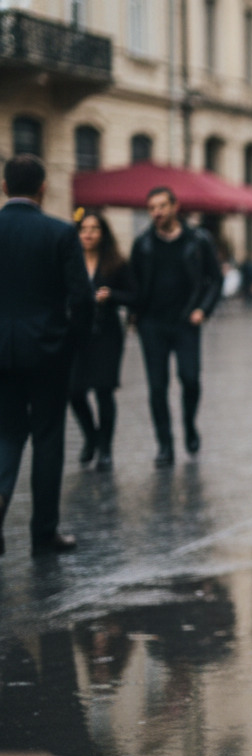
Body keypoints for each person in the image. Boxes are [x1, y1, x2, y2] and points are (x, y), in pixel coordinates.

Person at [0, 154, 92, 555]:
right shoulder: (59, 232)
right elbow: (83, 299)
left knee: (6, 433)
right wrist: (72, 342)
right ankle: (44, 531)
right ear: (42, 188)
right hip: (48, 351)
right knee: (48, 437)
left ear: (4, 187)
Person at [129, 186, 221, 467]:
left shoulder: (198, 239)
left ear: (175, 206)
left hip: (185, 322)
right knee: (157, 388)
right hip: (152, 324)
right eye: (152, 208)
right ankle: (165, 444)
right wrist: (134, 315)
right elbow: (134, 283)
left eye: (161, 206)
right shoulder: (142, 244)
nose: (157, 213)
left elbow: (215, 280)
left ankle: (190, 425)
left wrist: (202, 310)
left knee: (190, 379)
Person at [70, 210, 137, 472]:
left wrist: (112, 295)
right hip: (76, 334)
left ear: (103, 233)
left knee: (104, 391)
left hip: (107, 335)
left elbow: (134, 296)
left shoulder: (116, 263)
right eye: (83, 228)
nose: (88, 233)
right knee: (74, 392)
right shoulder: (70, 261)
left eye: (94, 228)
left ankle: (105, 448)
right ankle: (91, 436)